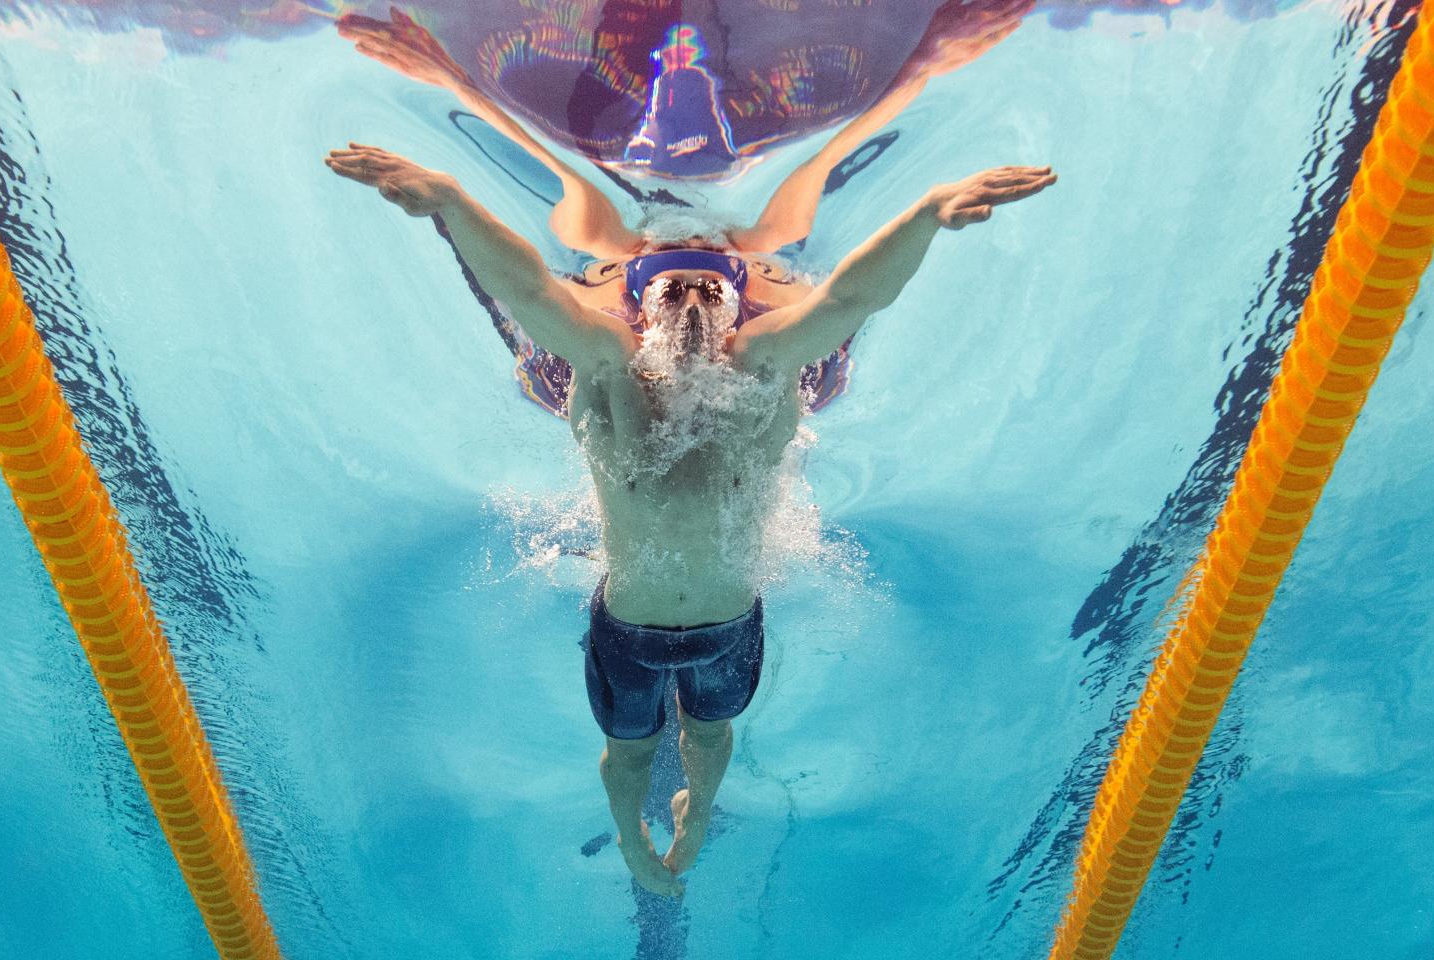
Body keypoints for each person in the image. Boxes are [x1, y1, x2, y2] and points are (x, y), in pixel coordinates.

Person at [326, 143, 1055, 897]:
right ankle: (630, 834)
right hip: (631, 630)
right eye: (673, 293)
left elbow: (847, 301)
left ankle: (698, 808)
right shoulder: (608, 371)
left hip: (727, 625)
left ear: (735, 305)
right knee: (630, 751)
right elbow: (536, 297)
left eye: (708, 292)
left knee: (707, 734)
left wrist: (928, 213)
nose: (693, 304)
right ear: (640, 310)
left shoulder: (764, 367)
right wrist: (449, 197)